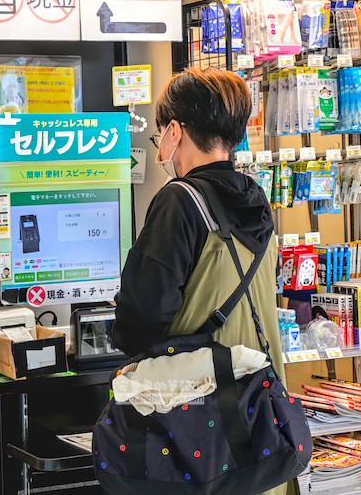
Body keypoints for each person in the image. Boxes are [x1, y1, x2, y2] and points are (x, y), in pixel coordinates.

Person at [113, 67, 287, 494]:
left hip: (197, 420)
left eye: (160, 135)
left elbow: (144, 314)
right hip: (259, 414)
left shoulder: (180, 200)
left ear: (175, 131)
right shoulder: (256, 199)